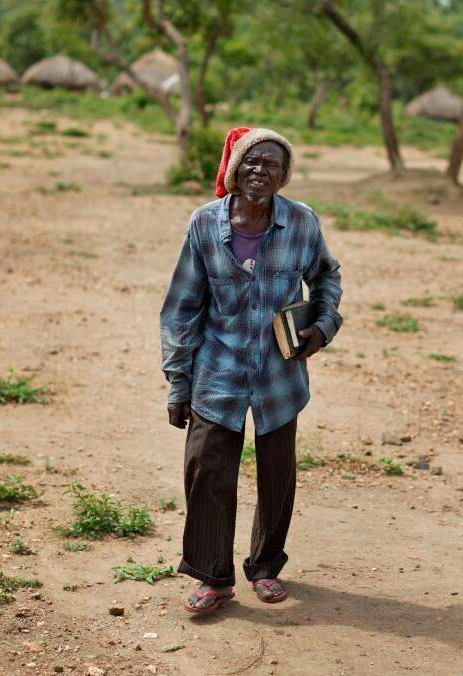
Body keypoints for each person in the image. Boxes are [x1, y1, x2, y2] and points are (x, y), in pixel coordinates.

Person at [159, 127, 343, 613]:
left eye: (272, 164)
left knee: (277, 476)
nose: (260, 171)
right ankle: (212, 578)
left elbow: (326, 276)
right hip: (216, 371)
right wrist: (179, 380)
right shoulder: (204, 225)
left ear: (284, 177)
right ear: (234, 170)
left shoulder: (302, 223)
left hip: (279, 375)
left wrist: (322, 326)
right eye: (251, 162)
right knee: (206, 472)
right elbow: (181, 308)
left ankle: (265, 566)